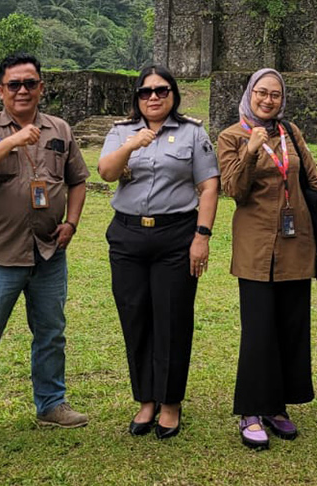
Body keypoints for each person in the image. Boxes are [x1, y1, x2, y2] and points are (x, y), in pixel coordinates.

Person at [0, 53, 89, 455]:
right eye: (14, 84)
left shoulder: (60, 129)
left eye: (30, 83)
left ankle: (51, 404)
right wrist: (11, 140)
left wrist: (72, 222)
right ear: (0, 90)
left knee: (51, 333)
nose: (22, 90)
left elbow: (78, 180)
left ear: (41, 87)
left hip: (49, 252)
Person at [217, 68, 317, 450]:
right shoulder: (231, 136)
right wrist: (251, 150)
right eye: (261, 92)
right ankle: (251, 411)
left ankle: (276, 407)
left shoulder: (291, 133)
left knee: (290, 326)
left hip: (295, 243)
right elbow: (233, 189)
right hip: (256, 246)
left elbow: (314, 182)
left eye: (275, 94)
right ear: (249, 94)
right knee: (259, 330)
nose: (267, 100)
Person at [97, 65, 219, 440]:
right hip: (128, 235)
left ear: (173, 95)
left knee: (172, 318)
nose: (153, 97)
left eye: (162, 90)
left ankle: (169, 403)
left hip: (175, 235)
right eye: (146, 91)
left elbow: (209, 186)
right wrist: (132, 145)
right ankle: (146, 399)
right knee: (134, 317)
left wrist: (202, 236)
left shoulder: (192, 133)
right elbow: (105, 172)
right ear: (137, 97)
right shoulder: (121, 132)